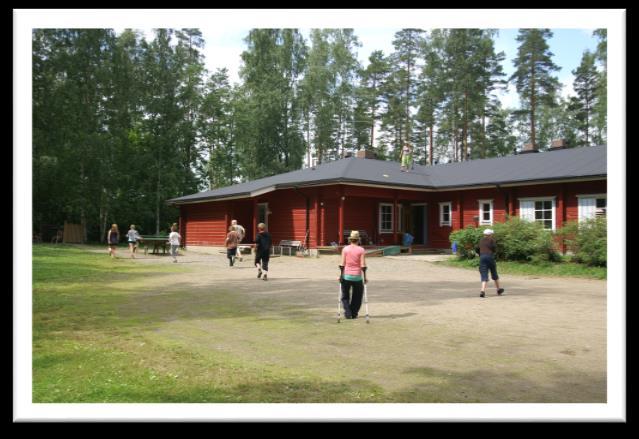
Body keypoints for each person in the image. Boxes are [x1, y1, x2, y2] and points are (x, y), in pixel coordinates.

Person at [338, 230, 368, 319]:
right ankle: (354, 313)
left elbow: (342, 264)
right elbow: (363, 265)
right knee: (357, 296)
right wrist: (365, 277)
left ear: (350, 240)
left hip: (346, 276)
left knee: (345, 296)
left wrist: (340, 276)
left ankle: (348, 313)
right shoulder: (361, 250)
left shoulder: (345, 249)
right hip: (357, 277)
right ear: (358, 240)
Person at [476, 228, 505, 298]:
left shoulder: (481, 240)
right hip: (489, 257)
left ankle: (482, 291)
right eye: (491, 234)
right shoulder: (491, 240)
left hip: (482, 258)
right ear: (490, 235)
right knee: (494, 272)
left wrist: (480, 254)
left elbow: (477, 248)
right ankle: (498, 289)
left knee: (484, 274)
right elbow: (494, 248)